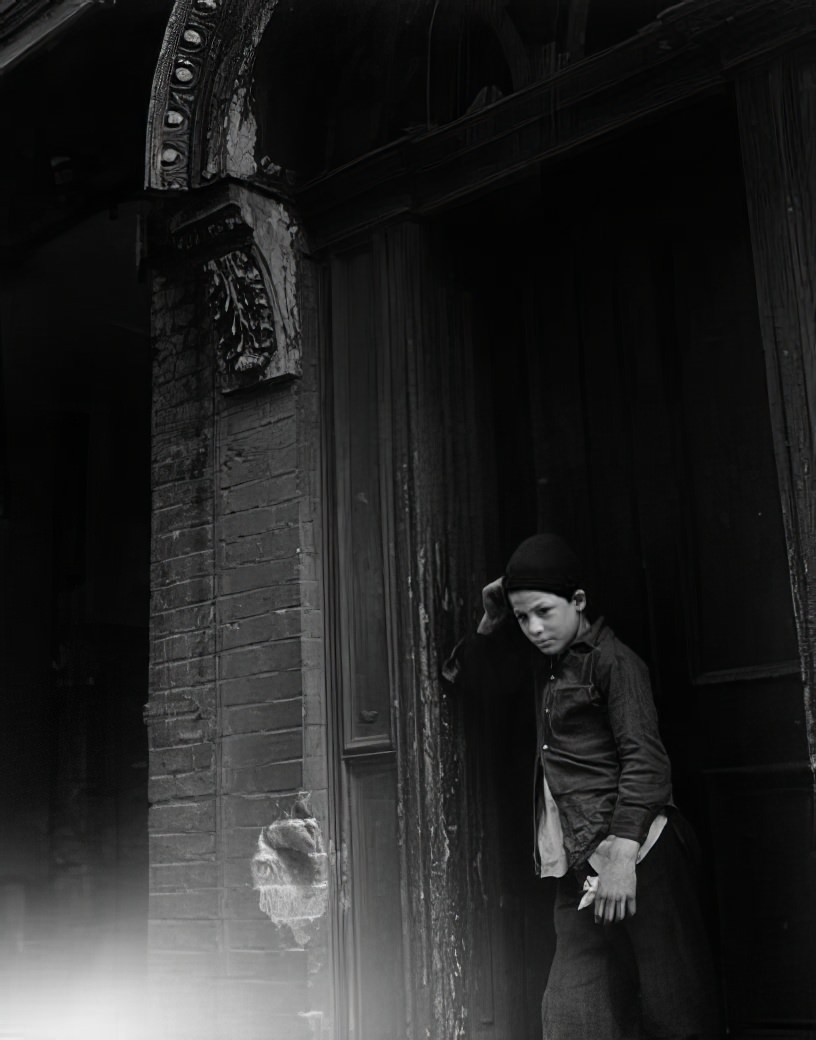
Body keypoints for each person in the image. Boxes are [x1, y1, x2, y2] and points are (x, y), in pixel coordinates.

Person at [443, 533, 719, 1040]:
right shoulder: (542, 668)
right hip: (578, 867)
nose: (533, 628)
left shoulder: (614, 663)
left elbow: (648, 762)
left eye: (544, 612)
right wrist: (491, 620)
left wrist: (622, 858)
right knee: (572, 1018)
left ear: (579, 602)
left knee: (675, 1013)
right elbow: (468, 676)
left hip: (641, 859)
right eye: (523, 617)